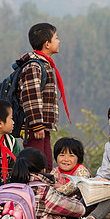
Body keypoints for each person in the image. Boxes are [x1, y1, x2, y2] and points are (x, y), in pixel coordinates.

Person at [8, 147, 102, 219]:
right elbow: (79, 210)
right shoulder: (42, 191)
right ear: (43, 170)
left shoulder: (9, 188)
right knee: (66, 209)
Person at [17, 22, 71, 171]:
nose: (59, 41)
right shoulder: (34, 66)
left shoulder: (44, 64)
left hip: (42, 127)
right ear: (47, 44)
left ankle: (44, 191)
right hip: (35, 127)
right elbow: (30, 97)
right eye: (56, 38)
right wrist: (37, 124)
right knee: (35, 165)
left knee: (46, 165)